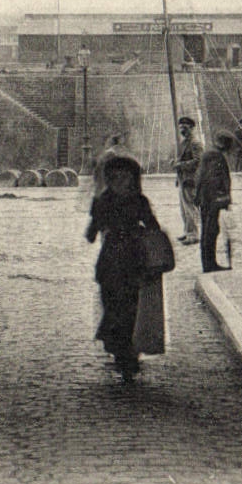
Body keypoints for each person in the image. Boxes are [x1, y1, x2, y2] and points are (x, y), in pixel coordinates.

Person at [85, 152, 163, 382]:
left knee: (116, 306)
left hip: (114, 259)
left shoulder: (102, 201)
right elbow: (153, 228)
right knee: (127, 307)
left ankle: (122, 352)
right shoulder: (139, 201)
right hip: (132, 259)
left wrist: (104, 228)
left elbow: (90, 234)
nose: (120, 181)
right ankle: (127, 354)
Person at [194, 130, 234, 273]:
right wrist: (222, 198)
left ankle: (209, 263)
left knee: (209, 230)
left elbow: (200, 178)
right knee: (210, 231)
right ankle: (209, 265)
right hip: (211, 200)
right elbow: (213, 180)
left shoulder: (209, 153)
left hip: (206, 199)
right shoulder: (215, 156)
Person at [173, 115, 202, 244]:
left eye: (185, 128)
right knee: (184, 208)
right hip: (182, 179)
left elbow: (198, 161)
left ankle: (193, 234)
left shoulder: (195, 143)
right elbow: (180, 158)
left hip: (191, 179)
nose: (182, 130)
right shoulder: (183, 142)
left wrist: (180, 165)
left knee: (190, 207)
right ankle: (187, 231)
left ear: (191, 128)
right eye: (180, 128)